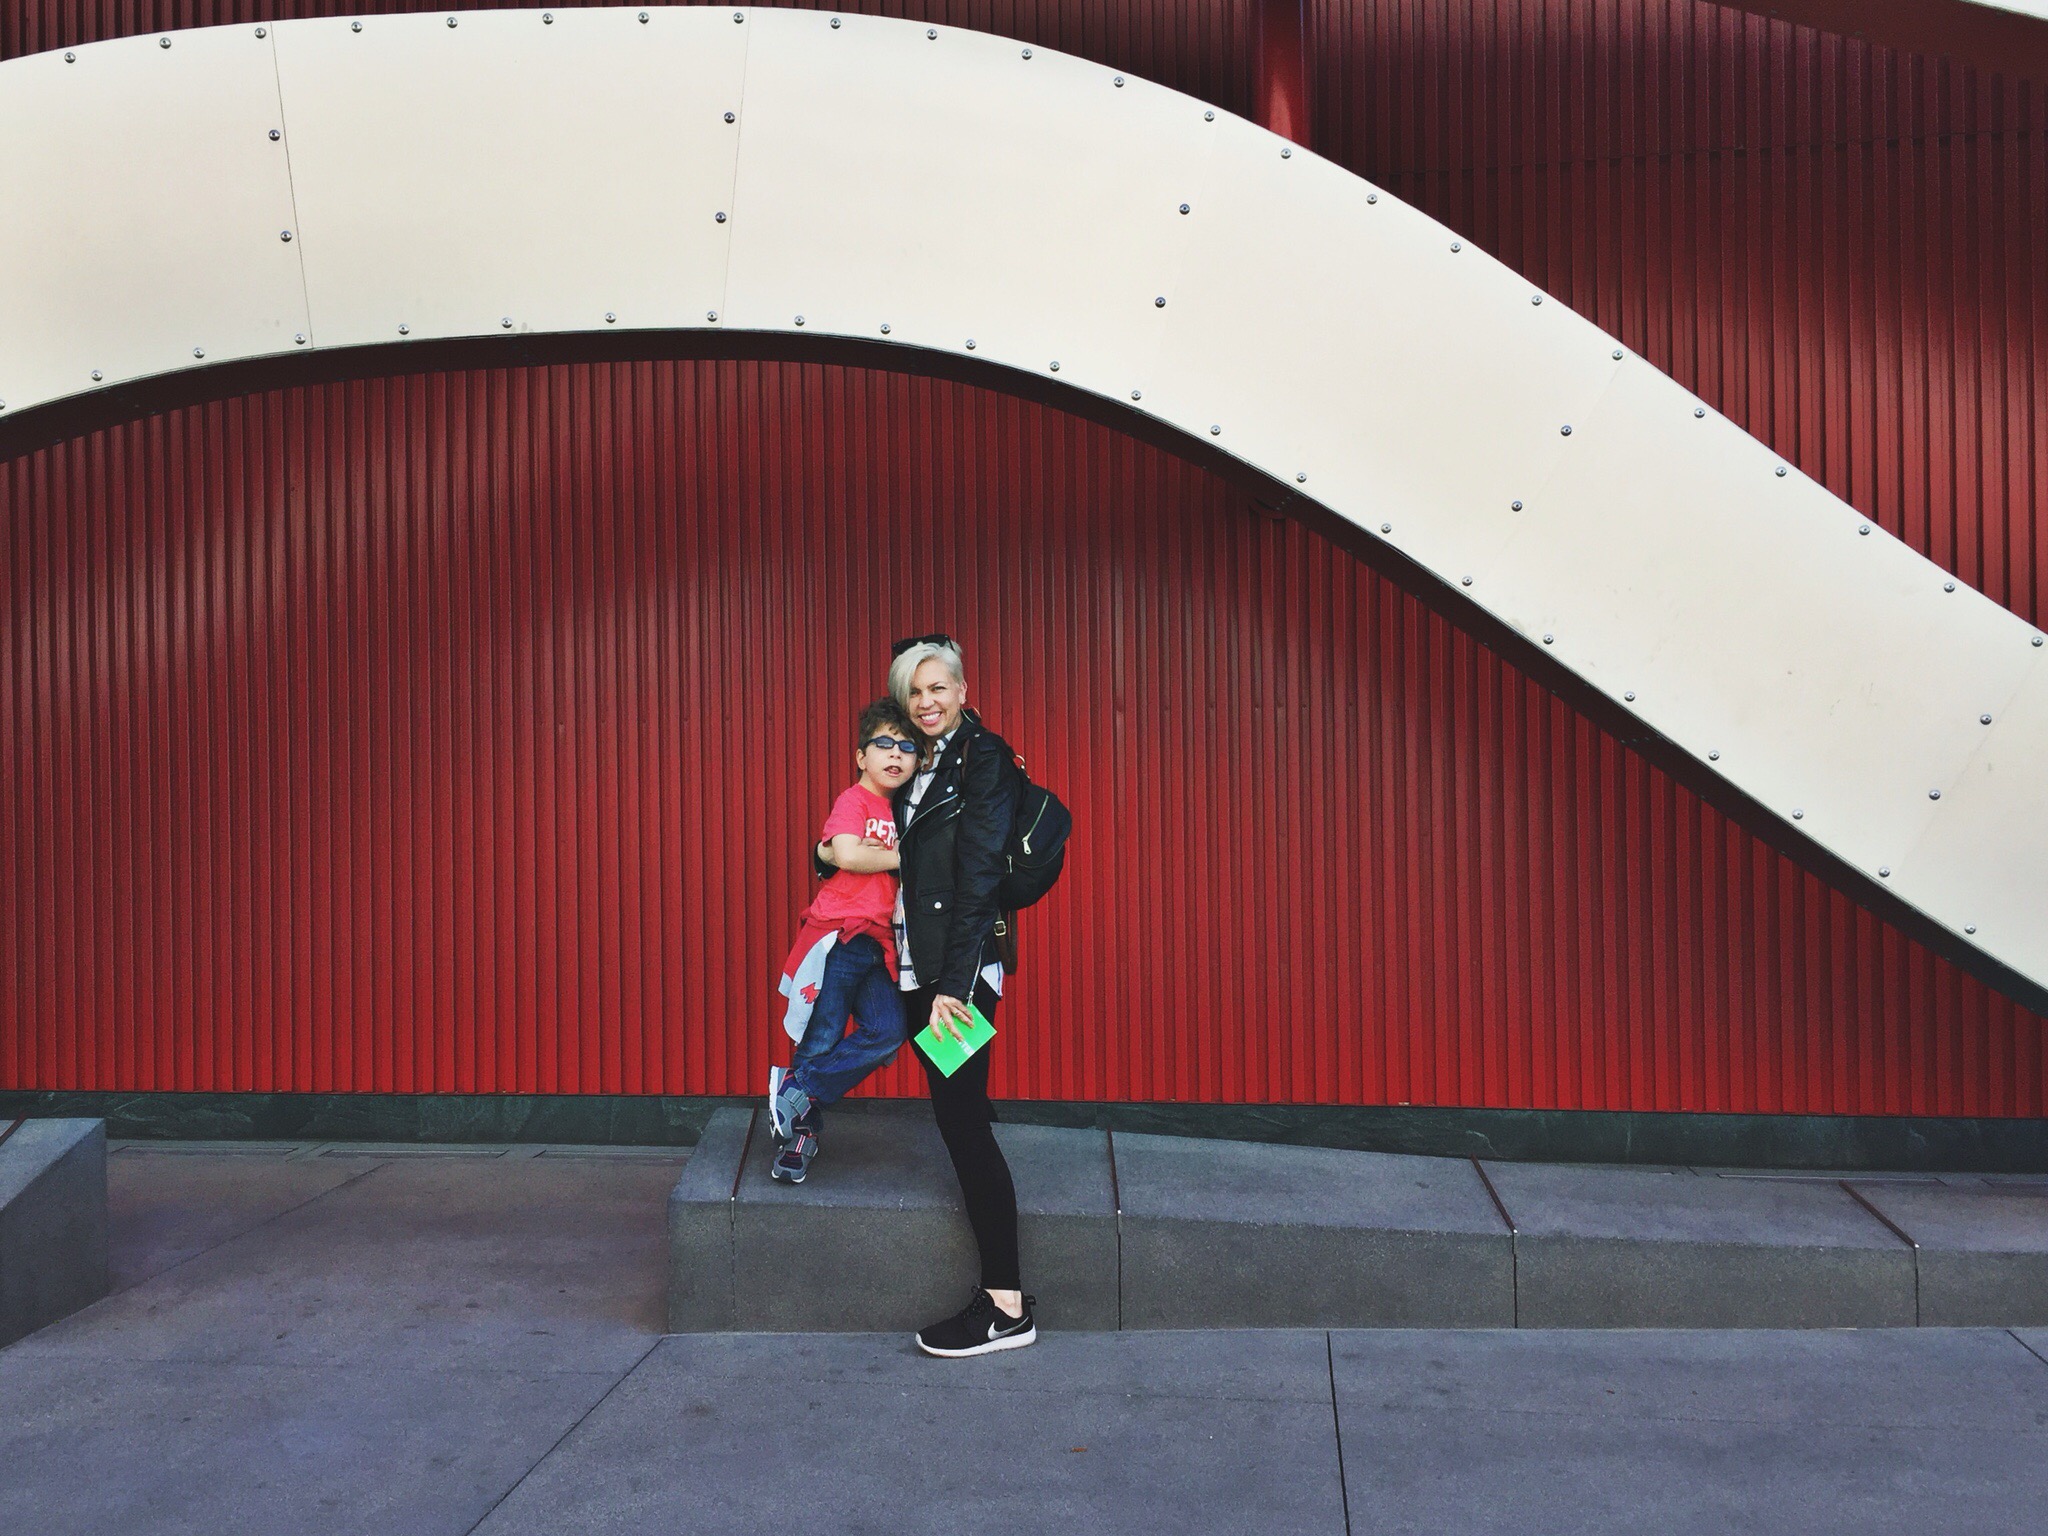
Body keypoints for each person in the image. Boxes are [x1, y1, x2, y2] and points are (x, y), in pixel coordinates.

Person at [821, 635, 1036, 1357]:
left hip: (954, 977)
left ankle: (1005, 1304)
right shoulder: (915, 760)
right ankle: (1003, 1298)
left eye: (938, 687)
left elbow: (978, 880)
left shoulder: (983, 760)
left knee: (963, 1121)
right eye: (915, 691)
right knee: (960, 1109)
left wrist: (955, 988)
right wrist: (825, 850)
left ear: (964, 690)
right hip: (914, 969)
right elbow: (873, 836)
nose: (927, 702)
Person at [767, 698, 922, 1183]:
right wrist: (904, 858)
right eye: (883, 744)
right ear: (861, 756)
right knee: (824, 1032)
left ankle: (798, 1087)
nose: (895, 754)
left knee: (888, 1031)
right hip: (838, 936)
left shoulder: (906, 809)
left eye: (907, 746)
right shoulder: (853, 801)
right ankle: (799, 1137)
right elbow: (848, 854)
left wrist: (892, 852)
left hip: (881, 945)